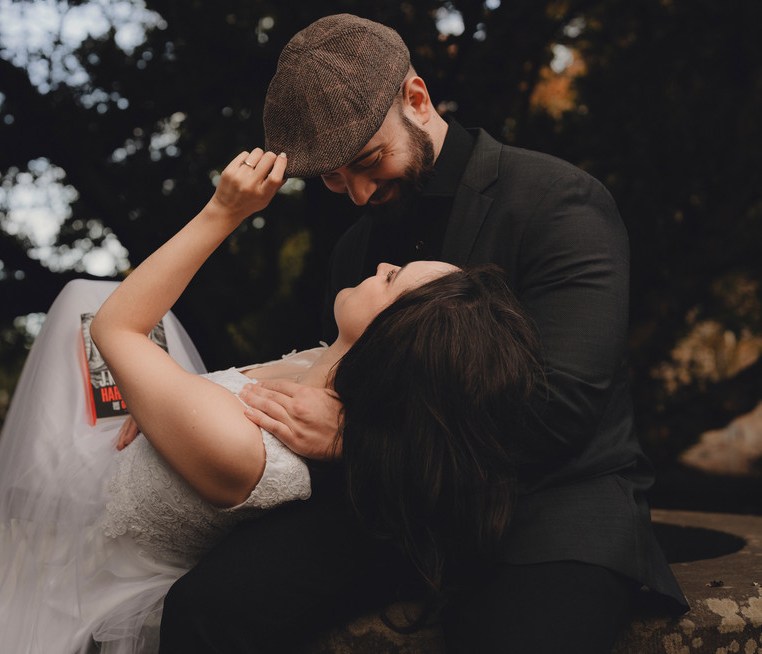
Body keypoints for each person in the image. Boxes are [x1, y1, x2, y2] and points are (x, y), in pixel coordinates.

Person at [159, 14, 690, 654]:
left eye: (367, 161)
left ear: (417, 98)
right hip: (395, 515)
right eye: (330, 176)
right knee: (205, 609)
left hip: (546, 510)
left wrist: (357, 438)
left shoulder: (556, 201)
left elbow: (558, 412)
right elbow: (322, 375)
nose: (354, 194)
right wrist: (184, 398)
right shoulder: (356, 248)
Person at [0, 147, 542, 653]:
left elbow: (114, 328)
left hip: (81, 545)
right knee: (85, 295)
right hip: (118, 463)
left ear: (394, 339)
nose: (383, 262)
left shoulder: (242, 446)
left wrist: (225, 211)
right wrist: (162, 402)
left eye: (392, 279)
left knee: (86, 303)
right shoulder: (316, 377)